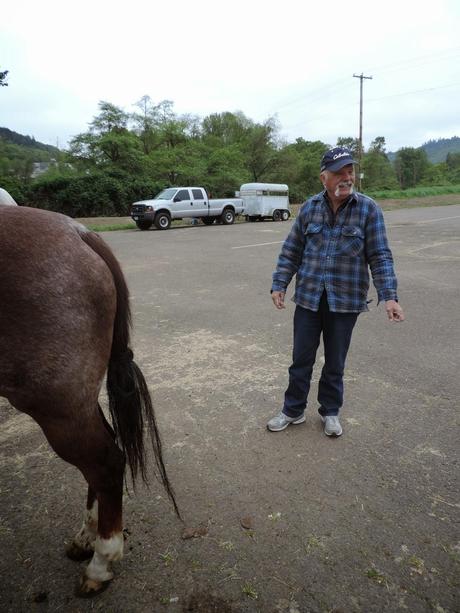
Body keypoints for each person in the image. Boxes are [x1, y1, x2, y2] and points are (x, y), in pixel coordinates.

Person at [268, 146, 405, 436]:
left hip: (345, 301)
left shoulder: (368, 209)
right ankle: (293, 411)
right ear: (323, 178)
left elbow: (380, 255)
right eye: (339, 172)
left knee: (335, 362)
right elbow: (291, 250)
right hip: (308, 297)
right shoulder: (309, 208)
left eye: (350, 171)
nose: (347, 177)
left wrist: (389, 295)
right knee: (301, 359)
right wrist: (279, 283)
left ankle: (330, 411)